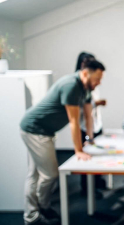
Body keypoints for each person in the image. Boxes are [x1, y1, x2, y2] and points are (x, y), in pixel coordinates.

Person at [20, 59, 105, 225]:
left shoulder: (85, 88)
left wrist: (90, 139)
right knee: (49, 174)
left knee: (35, 174)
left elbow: (87, 116)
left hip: (43, 131)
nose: (99, 82)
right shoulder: (71, 85)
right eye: (97, 78)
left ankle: (32, 213)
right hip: (35, 129)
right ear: (86, 73)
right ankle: (39, 210)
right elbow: (73, 121)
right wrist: (78, 150)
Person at [75, 52, 107, 198]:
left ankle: (96, 183)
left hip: (94, 126)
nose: (99, 82)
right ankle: (86, 189)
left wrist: (91, 135)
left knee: (96, 156)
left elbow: (90, 115)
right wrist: (88, 136)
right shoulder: (77, 86)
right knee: (86, 157)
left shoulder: (90, 87)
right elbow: (83, 115)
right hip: (86, 127)